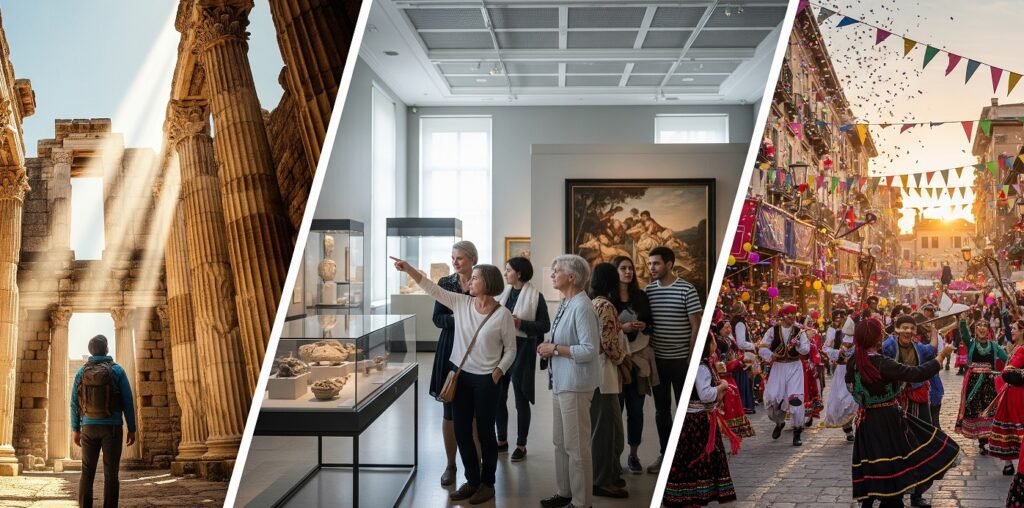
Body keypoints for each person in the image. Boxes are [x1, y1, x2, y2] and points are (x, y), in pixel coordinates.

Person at [392, 256, 517, 504]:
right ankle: (472, 480)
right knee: (461, 431)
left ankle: (487, 483)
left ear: (488, 282)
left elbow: (511, 349)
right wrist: (409, 270)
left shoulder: (502, 314)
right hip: (461, 376)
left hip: (487, 381)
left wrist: (499, 371)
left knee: (484, 432)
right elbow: (431, 288)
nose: (470, 281)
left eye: (475, 278)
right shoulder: (460, 303)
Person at [846, 318, 959, 508]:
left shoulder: (854, 361)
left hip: (866, 420)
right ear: (875, 337)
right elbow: (916, 374)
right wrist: (941, 356)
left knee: (872, 461)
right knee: (892, 462)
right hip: (888, 419)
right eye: (880, 332)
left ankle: (872, 500)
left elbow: (851, 388)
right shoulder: (881, 363)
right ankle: (891, 500)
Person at [538, 254, 601, 508]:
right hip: (561, 382)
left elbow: (589, 349)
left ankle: (582, 501)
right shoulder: (566, 303)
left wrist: (554, 349)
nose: (552, 275)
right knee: (560, 442)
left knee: (577, 447)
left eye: (557, 271)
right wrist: (549, 347)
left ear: (571, 277)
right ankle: (565, 492)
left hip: (576, 384)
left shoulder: (583, 306)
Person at [661, 334, 739, 507]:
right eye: (712, 341)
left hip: (698, 419)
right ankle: (692, 498)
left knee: (690, 461)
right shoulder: (701, 366)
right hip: (697, 422)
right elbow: (706, 395)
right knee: (695, 460)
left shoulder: (703, 364)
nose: (715, 344)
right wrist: (722, 386)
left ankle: (689, 498)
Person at [645, 246, 703, 473]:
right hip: (657, 362)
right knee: (661, 411)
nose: (652, 268)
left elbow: (696, 325)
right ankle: (665, 454)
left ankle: (687, 454)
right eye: (650, 264)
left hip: (681, 361)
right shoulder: (649, 291)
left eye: (656, 263)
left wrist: (690, 357)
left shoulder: (686, 290)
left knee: (685, 408)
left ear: (669, 264)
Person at [430, 240, 478, 487]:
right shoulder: (445, 283)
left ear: (472, 259)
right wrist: (460, 319)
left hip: (474, 351)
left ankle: (475, 469)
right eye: (453, 257)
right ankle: (451, 465)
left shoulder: (481, 281)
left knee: (473, 416)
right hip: (449, 348)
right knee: (448, 412)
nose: (455, 262)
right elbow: (437, 318)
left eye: (459, 258)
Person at [71, 335, 137, 508]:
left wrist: (76, 429)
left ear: (91, 351)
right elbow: (128, 401)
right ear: (107, 349)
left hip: (88, 427)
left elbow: (73, 403)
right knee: (111, 474)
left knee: (87, 473)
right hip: (112, 428)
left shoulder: (81, 372)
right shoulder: (117, 370)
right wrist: (132, 427)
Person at [495, 256, 550, 462]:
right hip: (501, 348)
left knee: (521, 398)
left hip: (523, 349)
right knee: (499, 396)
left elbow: (545, 325)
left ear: (518, 273)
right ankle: (501, 440)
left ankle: (521, 444)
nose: (505, 273)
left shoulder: (537, 296)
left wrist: (521, 324)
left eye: (508, 270)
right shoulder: (504, 293)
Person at [610, 255, 656, 474]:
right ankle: (613, 456)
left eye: (630, 268)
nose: (628, 272)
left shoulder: (641, 296)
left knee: (636, 409)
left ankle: (634, 455)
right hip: (616, 361)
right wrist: (622, 328)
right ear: (615, 271)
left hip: (638, 359)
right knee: (615, 411)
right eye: (623, 268)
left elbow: (651, 324)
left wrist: (642, 325)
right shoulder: (608, 298)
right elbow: (602, 329)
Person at [589, 263, 629, 498]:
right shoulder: (605, 305)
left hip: (604, 375)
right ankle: (601, 480)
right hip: (604, 375)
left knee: (612, 429)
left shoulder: (594, 303)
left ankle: (610, 474)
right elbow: (610, 343)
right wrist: (624, 361)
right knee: (605, 431)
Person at [757, 303, 810, 446]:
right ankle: (779, 422)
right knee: (772, 398)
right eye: (788, 314)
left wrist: (798, 344)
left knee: (795, 399)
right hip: (778, 367)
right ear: (782, 316)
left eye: (794, 313)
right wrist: (770, 355)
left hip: (794, 367)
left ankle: (797, 432)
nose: (792, 317)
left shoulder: (800, 332)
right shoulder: (772, 331)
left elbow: (806, 350)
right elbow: (762, 348)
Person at [955, 317, 1008, 454]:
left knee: (989, 410)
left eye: (985, 326)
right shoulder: (971, 343)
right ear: (976, 330)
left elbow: (1007, 358)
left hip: (989, 383)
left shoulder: (994, 346)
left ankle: (988, 439)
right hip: (974, 383)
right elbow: (964, 333)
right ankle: (981, 441)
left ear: (988, 330)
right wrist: (962, 320)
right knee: (977, 410)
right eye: (979, 326)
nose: (982, 328)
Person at [989, 320, 1024, 474]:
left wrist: (1000, 374)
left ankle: (1014, 463)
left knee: (1017, 426)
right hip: (1010, 392)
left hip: (1017, 394)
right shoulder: (1016, 348)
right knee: (1007, 425)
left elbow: (1011, 369)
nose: (1012, 331)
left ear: (1023, 331)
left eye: (1015, 329)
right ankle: (1008, 462)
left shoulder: (1022, 350)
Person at [714, 321, 755, 438]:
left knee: (734, 400)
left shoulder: (730, 341)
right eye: (726, 327)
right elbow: (723, 365)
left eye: (730, 327)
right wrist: (739, 361)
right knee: (728, 402)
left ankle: (734, 428)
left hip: (730, 377)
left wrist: (741, 362)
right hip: (723, 378)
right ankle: (727, 429)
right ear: (720, 329)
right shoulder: (719, 342)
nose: (729, 329)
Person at [822, 310, 856, 440]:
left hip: (855, 369)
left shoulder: (856, 334)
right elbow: (826, 349)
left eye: (842, 318)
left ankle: (854, 423)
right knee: (842, 398)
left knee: (854, 399)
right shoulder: (834, 334)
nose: (839, 320)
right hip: (842, 369)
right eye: (836, 318)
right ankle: (847, 428)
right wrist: (838, 353)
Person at [730, 302, 757, 414]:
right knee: (744, 379)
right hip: (742, 355)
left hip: (739, 355)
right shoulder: (740, 323)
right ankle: (744, 404)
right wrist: (753, 345)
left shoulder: (735, 321)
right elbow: (741, 343)